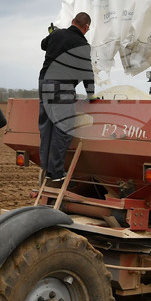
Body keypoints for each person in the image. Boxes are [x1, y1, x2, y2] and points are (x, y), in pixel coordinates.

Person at [38, 12, 94, 184]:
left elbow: (43, 45)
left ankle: (47, 169)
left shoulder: (56, 34)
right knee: (63, 129)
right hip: (62, 87)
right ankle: (56, 174)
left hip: (44, 83)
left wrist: (52, 33)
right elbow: (87, 71)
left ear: (72, 21)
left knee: (46, 128)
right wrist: (91, 93)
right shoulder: (83, 45)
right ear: (86, 28)